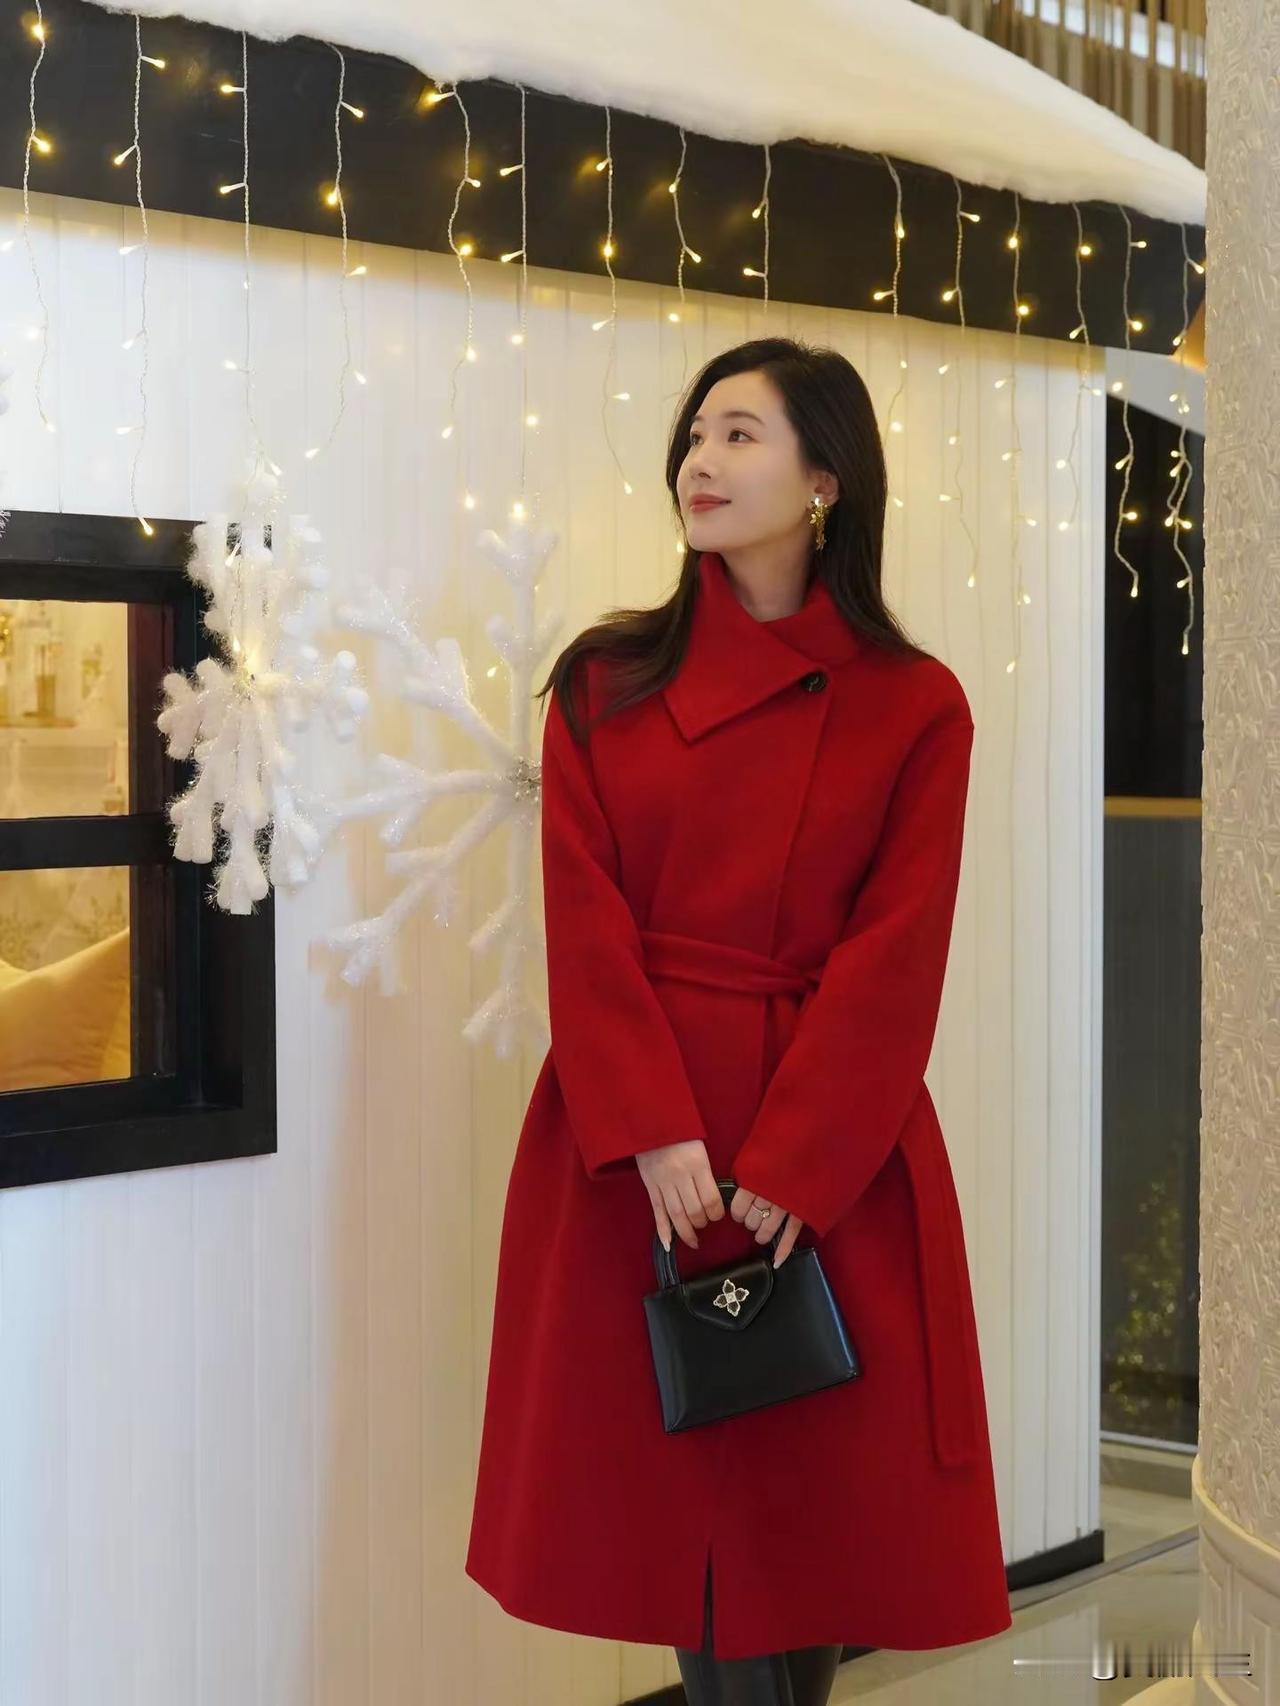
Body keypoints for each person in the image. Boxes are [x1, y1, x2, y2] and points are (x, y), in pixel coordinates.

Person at [465, 337, 1012, 1703]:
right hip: (635, 1158)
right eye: (695, 437)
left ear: (826, 478)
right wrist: (652, 1129)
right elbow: (583, 924)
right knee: (677, 1526)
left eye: (739, 435)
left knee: (807, 1527)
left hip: (825, 1160)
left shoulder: (915, 706)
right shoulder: (604, 684)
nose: (700, 462)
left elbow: (898, 955)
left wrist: (801, 1161)